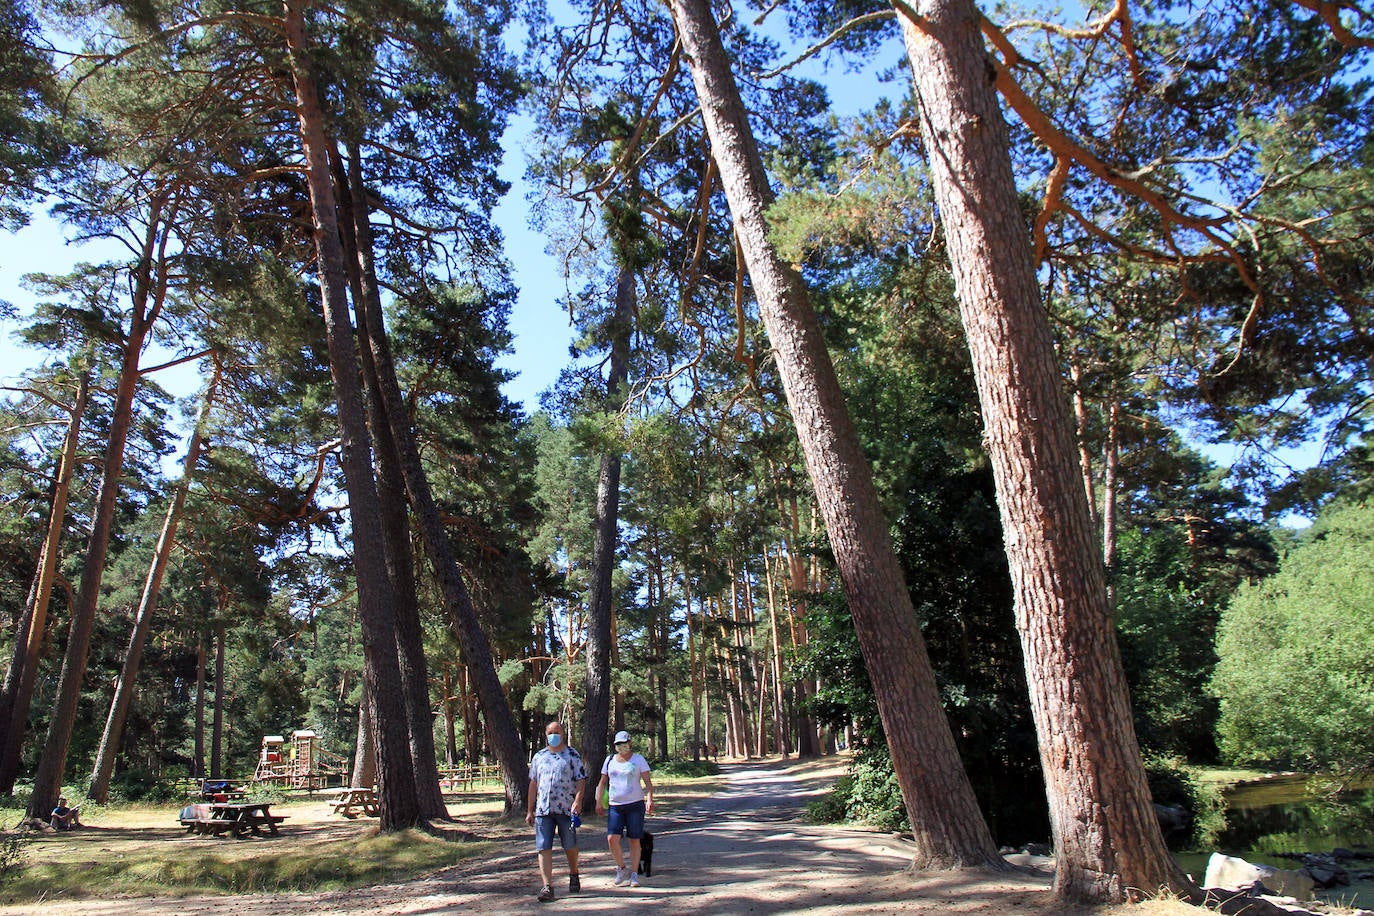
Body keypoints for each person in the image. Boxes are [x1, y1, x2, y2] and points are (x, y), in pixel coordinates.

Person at [526, 720, 586, 902]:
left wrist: (578, 800)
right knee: (543, 847)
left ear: (562, 733)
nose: (554, 735)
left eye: (557, 732)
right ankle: (547, 886)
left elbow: (581, 779)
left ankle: (574, 873)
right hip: (543, 810)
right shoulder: (539, 757)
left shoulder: (572, 755)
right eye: (550, 732)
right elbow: (533, 783)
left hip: (566, 809)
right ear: (546, 734)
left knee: (570, 845)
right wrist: (530, 810)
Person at [595, 730, 654, 888]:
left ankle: (634, 874)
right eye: (619, 744)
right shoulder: (609, 761)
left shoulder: (638, 760)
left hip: (635, 804)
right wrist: (598, 801)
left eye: (625, 744)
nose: (622, 747)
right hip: (615, 806)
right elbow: (602, 782)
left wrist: (649, 799)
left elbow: (647, 781)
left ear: (630, 743)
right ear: (615, 746)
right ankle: (621, 868)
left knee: (634, 840)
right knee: (612, 839)